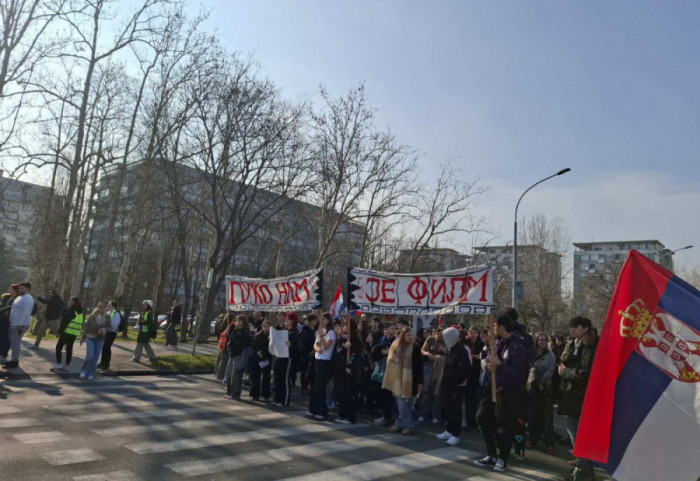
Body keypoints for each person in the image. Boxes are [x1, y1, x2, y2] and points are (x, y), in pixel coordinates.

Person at [474, 314, 528, 473]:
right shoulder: (499, 344)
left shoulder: (517, 346)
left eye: (495, 326)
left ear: (502, 327)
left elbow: (520, 374)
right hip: (493, 387)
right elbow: (493, 361)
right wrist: (491, 366)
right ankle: (491, 454)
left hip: (509, 391)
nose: (492, 329)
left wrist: (501, 365)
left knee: (505, 425)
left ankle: (502, 458)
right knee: (482, 416)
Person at [558, 317, 598, 481]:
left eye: (576, 327)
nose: (572, 330)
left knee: (575, 429)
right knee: (575, 428)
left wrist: (565, 372)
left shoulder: (589, 345)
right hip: (573, 392)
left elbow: (584, 372)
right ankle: (582, 461)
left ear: (586, 328)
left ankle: (584, 468)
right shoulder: (575, 343)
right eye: (571, 327)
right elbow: (565, 360)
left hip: (582, 394)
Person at [382, 326, 423, 435]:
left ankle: (404, 425)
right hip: (397, 378)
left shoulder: (415, 347)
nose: (410, 337)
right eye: (408, 335)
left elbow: (419, 366)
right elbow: (390, 360)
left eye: (411, 335)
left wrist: (419, 382)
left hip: (411, 380)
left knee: (406, 403)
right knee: (401, 403)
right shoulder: (396, 346)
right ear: (403, 336)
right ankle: (403, 424)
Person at [437, 326, 471, 446]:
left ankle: (456, 435)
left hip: (457, 386)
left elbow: (465, 369)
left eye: (446, 337)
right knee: (449, 409)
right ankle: (449, 430)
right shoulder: (451, 349)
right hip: (449, 384)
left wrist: (453, 377)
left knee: (456, 410)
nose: (444, 339)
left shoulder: (461, 351)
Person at [527, 332, 557, 453]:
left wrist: (540, 381)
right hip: (532, 389)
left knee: (547, 417)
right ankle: (533, 438)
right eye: (540, 340)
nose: (543, 342)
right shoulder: (531, 354)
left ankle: (550, 443)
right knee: (532, 416)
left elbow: (550, 371)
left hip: (544, 389)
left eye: (545, 340)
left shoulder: (551, 355)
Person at [335, 317, 363, 424]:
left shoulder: (355, 339)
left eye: (346, 325)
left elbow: (356, 354)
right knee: (342, 392)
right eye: (343, 325)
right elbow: (337, 351)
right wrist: (344, 347)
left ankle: (350, 416)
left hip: (351, 370)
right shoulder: (342, 338)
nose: (344, 327)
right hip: (341, 369)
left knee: (350, 393)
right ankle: (342, 414)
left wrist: (349, 366)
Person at [308, 312, 335, 419]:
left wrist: (322, 336)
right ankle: (313, 409)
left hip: (325, 361)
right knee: (314, 386)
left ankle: (322, 411)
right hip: (317, 359)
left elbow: (327, 346)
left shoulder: (331, 332)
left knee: (321, 387)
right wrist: (316, 348)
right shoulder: (321, 331)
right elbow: (316, 343)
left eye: (324, 319)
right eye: (321, 319)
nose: (322, 321)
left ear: (328, 321)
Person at [2, 282, 34, 369]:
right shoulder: (20, 297)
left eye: (22, 288)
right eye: (19, 288)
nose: (20, 289)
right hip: (14, 323)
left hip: (19, 324)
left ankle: (14, 361)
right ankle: (13, 359)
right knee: (13, 343)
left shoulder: (28, 298)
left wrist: (20, 324)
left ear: (27, 289)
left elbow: (26, 312)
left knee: (15, 343)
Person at [419, 326, 447, 424]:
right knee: (426, 390)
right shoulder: (431, 339)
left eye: (442, 332)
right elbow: (422, 350)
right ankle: (423, 414)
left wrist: (441, 358)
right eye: (438, 331)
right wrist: (427, 354)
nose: (440, 334)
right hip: (429, 365)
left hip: (441, 368)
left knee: (437, 392)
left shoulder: (446, 341)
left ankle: (436, 415)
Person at [371, 323, 397, 426]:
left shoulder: (396, 341)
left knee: (388, 395)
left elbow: (394, 353)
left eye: (394, 328)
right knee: (378, 393)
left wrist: (387, 351)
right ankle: (385, 415)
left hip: (391, 371)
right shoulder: (382, 340)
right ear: (385, 329)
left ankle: (388, 417)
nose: (393, 330)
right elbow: (376, 353)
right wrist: (383, 352)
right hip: (381, 371)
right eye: (391, 328)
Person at [272, 312, 299, 407]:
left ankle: (284, 400)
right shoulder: (284, 329)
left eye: (287, 319)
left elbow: (297, 347)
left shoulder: (295, 332)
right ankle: (277, 398)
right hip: (279, 356)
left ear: (292, 321)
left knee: (285, 379)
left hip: (288, 358)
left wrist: (291, 345)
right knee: (277, 378)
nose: (285, 321)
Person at [51, 297, 84, 372]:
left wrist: (59, 332)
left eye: (70, 300)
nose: (69, 301)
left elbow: (65, 322)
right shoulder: (80, 311)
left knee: (59, 347)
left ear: (73, 302)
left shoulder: (71, 310)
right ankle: (67, 365)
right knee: (69, 348)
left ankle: (59, 363)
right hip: (74, 333)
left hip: (67, 331)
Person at [79, 301, 110, 380]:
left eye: (103, 307)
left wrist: (104, 329)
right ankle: (84, 370)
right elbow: (86, 327)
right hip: (90, 337)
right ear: (97, 307)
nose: (101, 308)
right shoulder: (92, 316)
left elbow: (109, 327)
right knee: (90, 356)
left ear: (105, 308)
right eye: (100, 307)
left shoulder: (107, 316)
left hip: (100, 338)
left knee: (96, 357)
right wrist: (82, 338)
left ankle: (91, 373)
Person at [224, 315, 252, 400]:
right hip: (232, 354)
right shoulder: (234, 330)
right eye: (237, 320)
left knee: (236, 376)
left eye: (239, 320)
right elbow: (231, 340)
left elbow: (243, 341)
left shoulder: (245, 331)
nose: (237, 322)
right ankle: (229, 392)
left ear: (243, 322)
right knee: (229, 374)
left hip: (239, 355)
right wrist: (228, 333)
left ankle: (235, 394)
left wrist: (235, 340)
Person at [464, 325, 485, 428]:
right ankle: (467, 419)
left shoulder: (481, 344)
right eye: (471, 332)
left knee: (475, 397)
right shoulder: (464, 343)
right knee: (466, 398)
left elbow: (484, 356)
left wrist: (479, 357)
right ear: (468, 333)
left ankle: (474, 419)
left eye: (475, 333)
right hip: (466, 372)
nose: (473, 335)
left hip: (476, 372)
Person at [250, 319, 272, 401]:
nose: (266, 328)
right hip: (258, 358)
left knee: (266, 377)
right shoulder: (259, 335)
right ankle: (255, 395)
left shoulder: (271, 336)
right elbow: (255, 345)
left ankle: (266, 395)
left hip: (267, 358)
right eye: (264, 326)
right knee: (256, 377)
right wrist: (258, 353)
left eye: (267, 326)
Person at [98, 300, 121, 371]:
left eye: (109, 304)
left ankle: (106, 364)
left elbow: (116, 323)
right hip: (106, 332)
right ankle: (102, 363)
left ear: (113, 306)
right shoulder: (108, 312)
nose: (107, 305)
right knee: (103, 348)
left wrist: (107, 326)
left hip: (111, 332)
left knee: (107, 348)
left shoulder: (116, 313)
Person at [0, 284, 19, 362]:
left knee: (5, 337)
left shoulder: (16, 299)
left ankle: (4, 354)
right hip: (2, 319)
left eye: (10, 288)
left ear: (15, 290)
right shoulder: (7, 297)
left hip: (8, 320)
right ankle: (1, 353)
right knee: (1, 336)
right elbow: (3, 306)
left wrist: (3, 310)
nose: (8, 290)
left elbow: (11, 307)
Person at [299, 314, 317, 394]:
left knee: (309, 370)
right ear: (311, 321)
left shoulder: (311, 330)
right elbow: (306, 342)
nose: (315, 322)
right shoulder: (305, 330)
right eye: (314, 320)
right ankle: (304, 387)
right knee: (305, 370)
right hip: (306, 353)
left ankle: (307, 386)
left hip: (310, 352)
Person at [215, 311, 235, 382]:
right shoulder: (230, 325)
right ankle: (220, 374)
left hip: (221, 342)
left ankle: (217, 372)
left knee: (220, 358)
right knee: (224, 360)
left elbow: (218, 331)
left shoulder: (222, 323)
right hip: (225, 343)